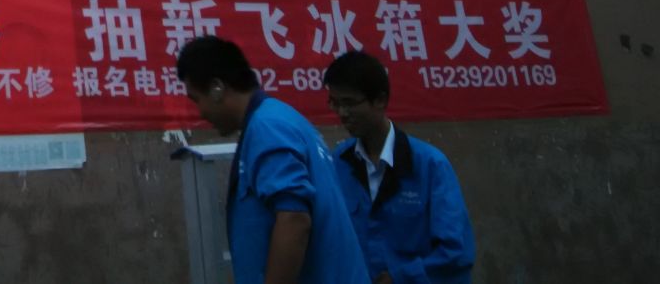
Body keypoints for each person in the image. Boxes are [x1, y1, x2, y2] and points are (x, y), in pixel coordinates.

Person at [177, 36, 369, 284]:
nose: (200, 112)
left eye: (196, 99)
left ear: (217, 89)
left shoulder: (267, 128)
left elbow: (294, 219)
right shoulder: (279, 119)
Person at [324, 50, 475, 284]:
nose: (342, 113)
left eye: (350, 103)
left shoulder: (430, 166)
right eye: (335, 103)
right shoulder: (337, 164)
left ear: (380, 100)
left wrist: (402, 278)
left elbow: (456, 253)